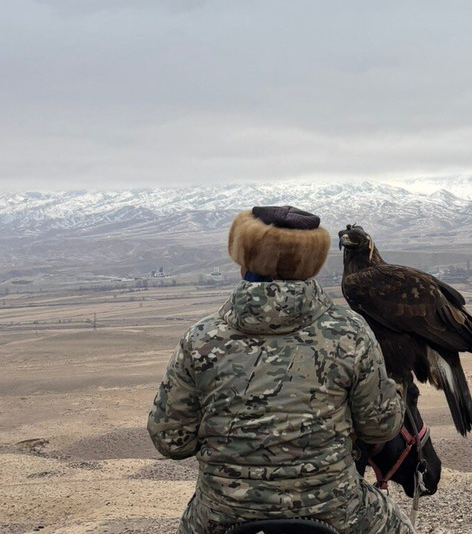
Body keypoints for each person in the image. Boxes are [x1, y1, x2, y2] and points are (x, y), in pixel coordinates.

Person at [148, 205, 416, 534]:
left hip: (219, 516)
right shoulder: (352, 334)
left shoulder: (199, 340)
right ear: (312, 262)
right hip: (338, 512)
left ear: (243, 258)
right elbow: (381, 427)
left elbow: (170, 440)